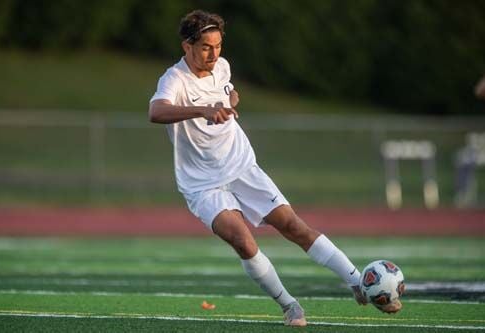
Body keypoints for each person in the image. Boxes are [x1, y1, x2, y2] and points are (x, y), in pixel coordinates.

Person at [148, 9, 401, 326]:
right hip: (202, 184)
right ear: (187, 46)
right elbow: (156, 111)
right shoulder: (174, 79)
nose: (214, 54)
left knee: (293, 226)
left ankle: (357, 283)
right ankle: (289, 305)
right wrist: (203, 110)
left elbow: (228, 93)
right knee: (242, 240)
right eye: (205, 48)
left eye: (218, 46)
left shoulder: (222, 67)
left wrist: (230, 103)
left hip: (241, 167)